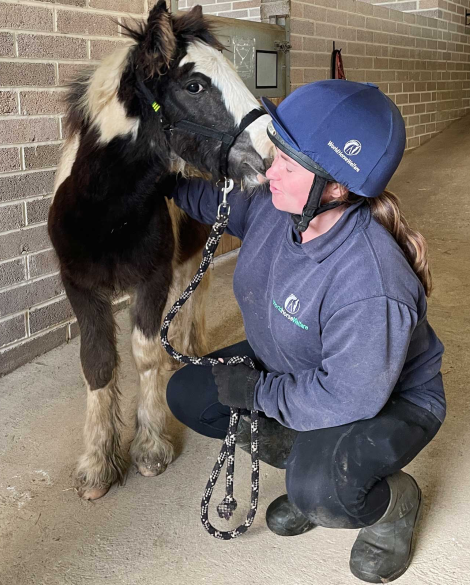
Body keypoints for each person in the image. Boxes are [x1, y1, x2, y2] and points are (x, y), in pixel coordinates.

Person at [164, 79, 444, 583]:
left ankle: (390, 505)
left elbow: (347, 397)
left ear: (335, 187)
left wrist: (259, 391)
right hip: (296, 363)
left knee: (324, 490)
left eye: (288, 163)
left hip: (382, 398)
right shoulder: (279, 206)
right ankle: (309, 468)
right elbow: (214, 203)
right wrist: (152, 177)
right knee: (190, 394)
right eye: (278, 152)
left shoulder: (370, 282)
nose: (271, 168)